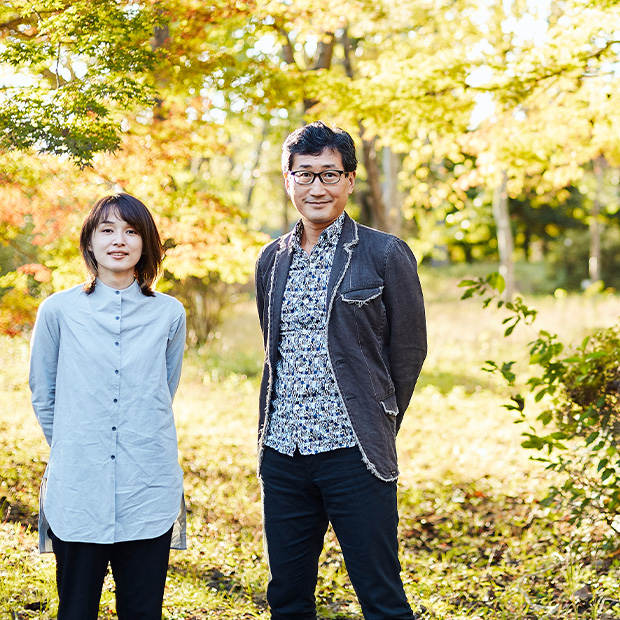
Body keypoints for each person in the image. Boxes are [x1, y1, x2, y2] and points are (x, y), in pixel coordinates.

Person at [254, 121, 427, 620]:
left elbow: (409, 349)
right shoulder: (271, 260)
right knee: (286, 596)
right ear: (288, 181)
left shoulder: (384, 253)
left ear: (350, 181)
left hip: (355, 452)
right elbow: (275, 349)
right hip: (284, 451)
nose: (317, 188)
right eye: (304, 175)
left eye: (329, 174)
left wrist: (379, 418)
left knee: (380, 595)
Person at [29, 193, 187, 620]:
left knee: (142, 611)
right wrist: (76, 443)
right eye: (108, 230)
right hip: (79, 488)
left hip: (146, 485)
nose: (120, 240)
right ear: (90, 241)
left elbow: (161, 390)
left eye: (132, 231)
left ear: (147, 243)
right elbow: (44, 394)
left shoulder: (169, 313)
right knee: (76, 609)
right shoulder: (58, 310)